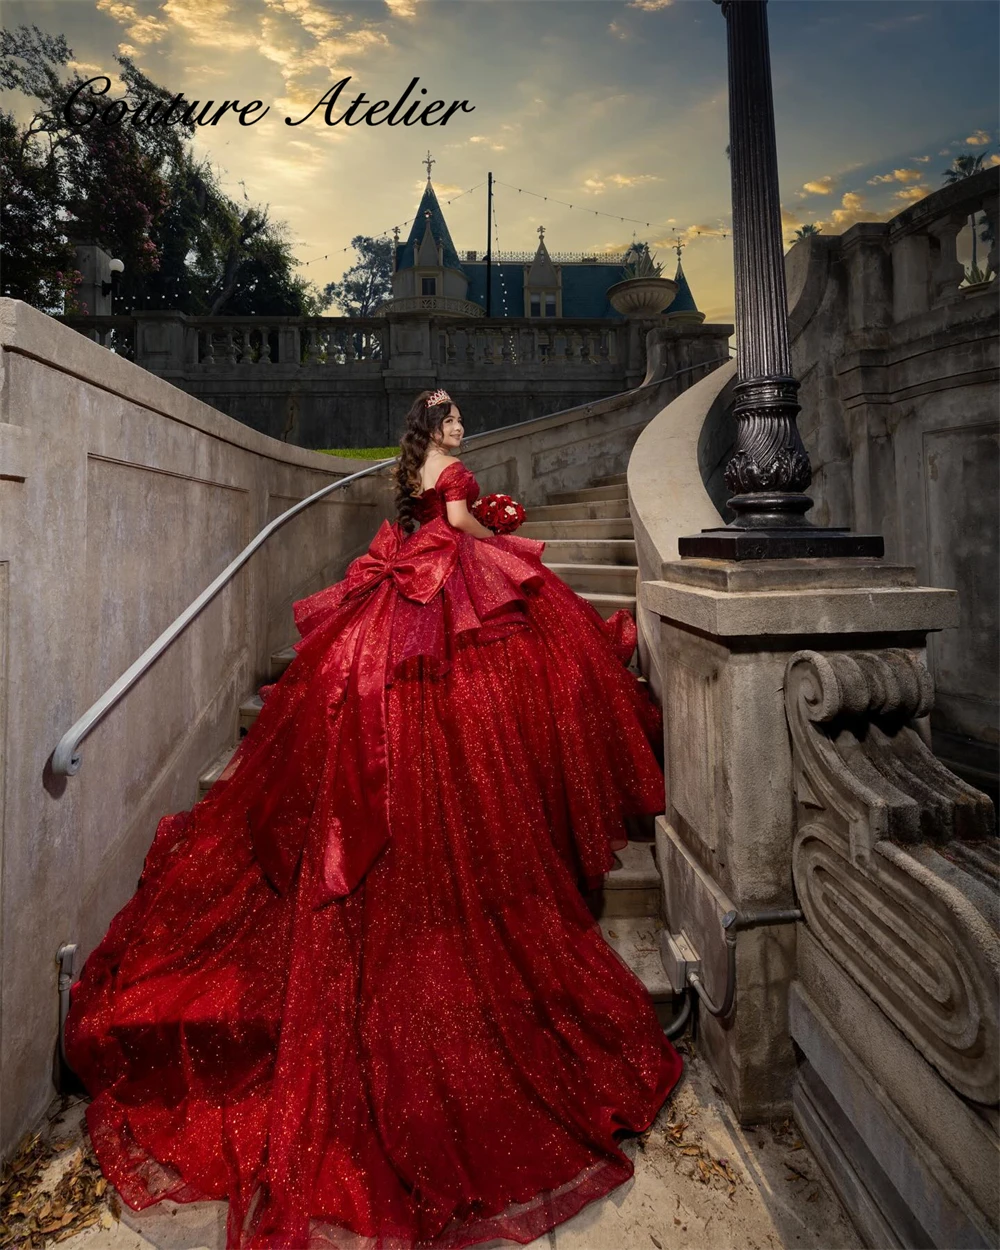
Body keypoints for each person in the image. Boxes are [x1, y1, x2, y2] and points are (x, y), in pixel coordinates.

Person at [64, 388, 683, 1249]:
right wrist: (496, 525)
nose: (461, 424)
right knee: (521, 644)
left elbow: (432, 518)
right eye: (452, 416)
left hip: (404, 582)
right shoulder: (454, 472)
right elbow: (461, 525)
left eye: (461, 416)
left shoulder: (411, 474)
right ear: (435, 433)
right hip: (444, 575)